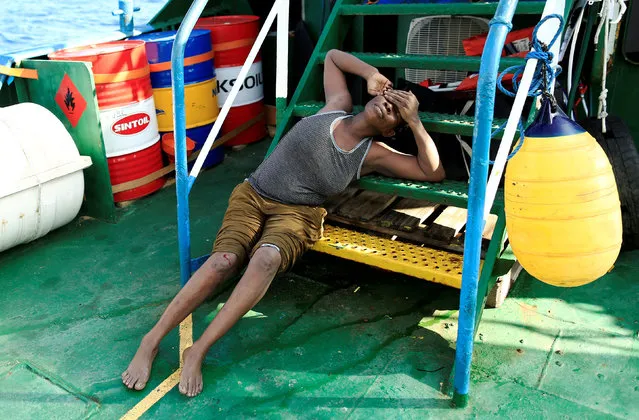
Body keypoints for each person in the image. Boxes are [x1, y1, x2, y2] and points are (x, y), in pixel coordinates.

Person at [121, 49, 445, 397]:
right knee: (222, 261)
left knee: (266, 258)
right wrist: (369, 74)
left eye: (397, 112)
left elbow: (433, 172)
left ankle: (197, 350)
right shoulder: (336, 104)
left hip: (298, 213)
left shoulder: (373, 152)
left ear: (393, 130)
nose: (389, 107)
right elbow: (333, 57)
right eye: (391, 100)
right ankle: (151, 340)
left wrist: (414, 120)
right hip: (253, 194)